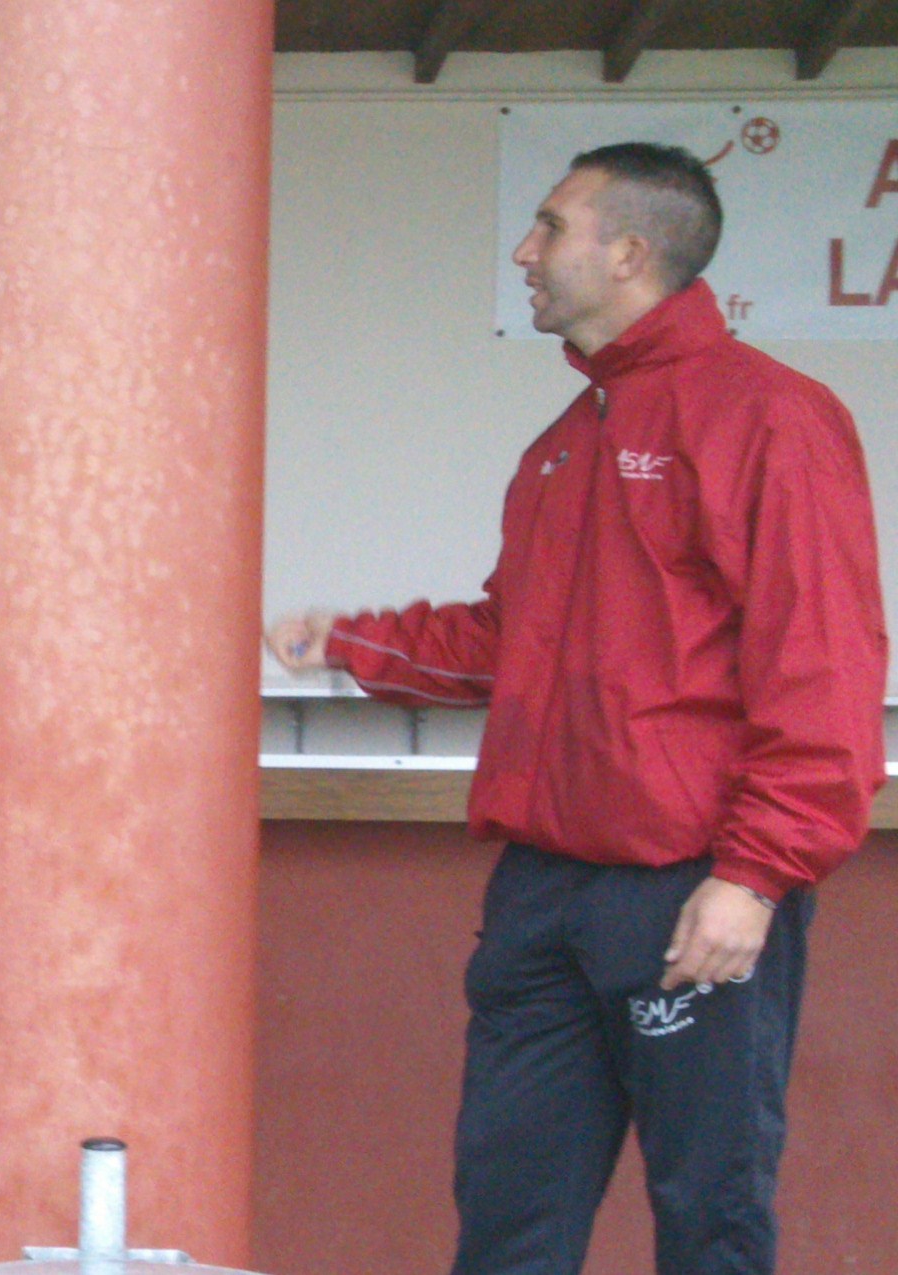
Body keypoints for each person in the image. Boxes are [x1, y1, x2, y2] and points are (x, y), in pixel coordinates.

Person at [268, 143, 883, 1275]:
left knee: (709, 1216)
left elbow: (822, 669)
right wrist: (348, 643)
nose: (524, 251)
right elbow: (516, 642)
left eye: (550, 227)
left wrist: (753, 877)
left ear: (631, 252)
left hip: (689, 886)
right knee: (508, 1217)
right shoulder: (568, 438)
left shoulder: (770, 418)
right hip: (542, 894)